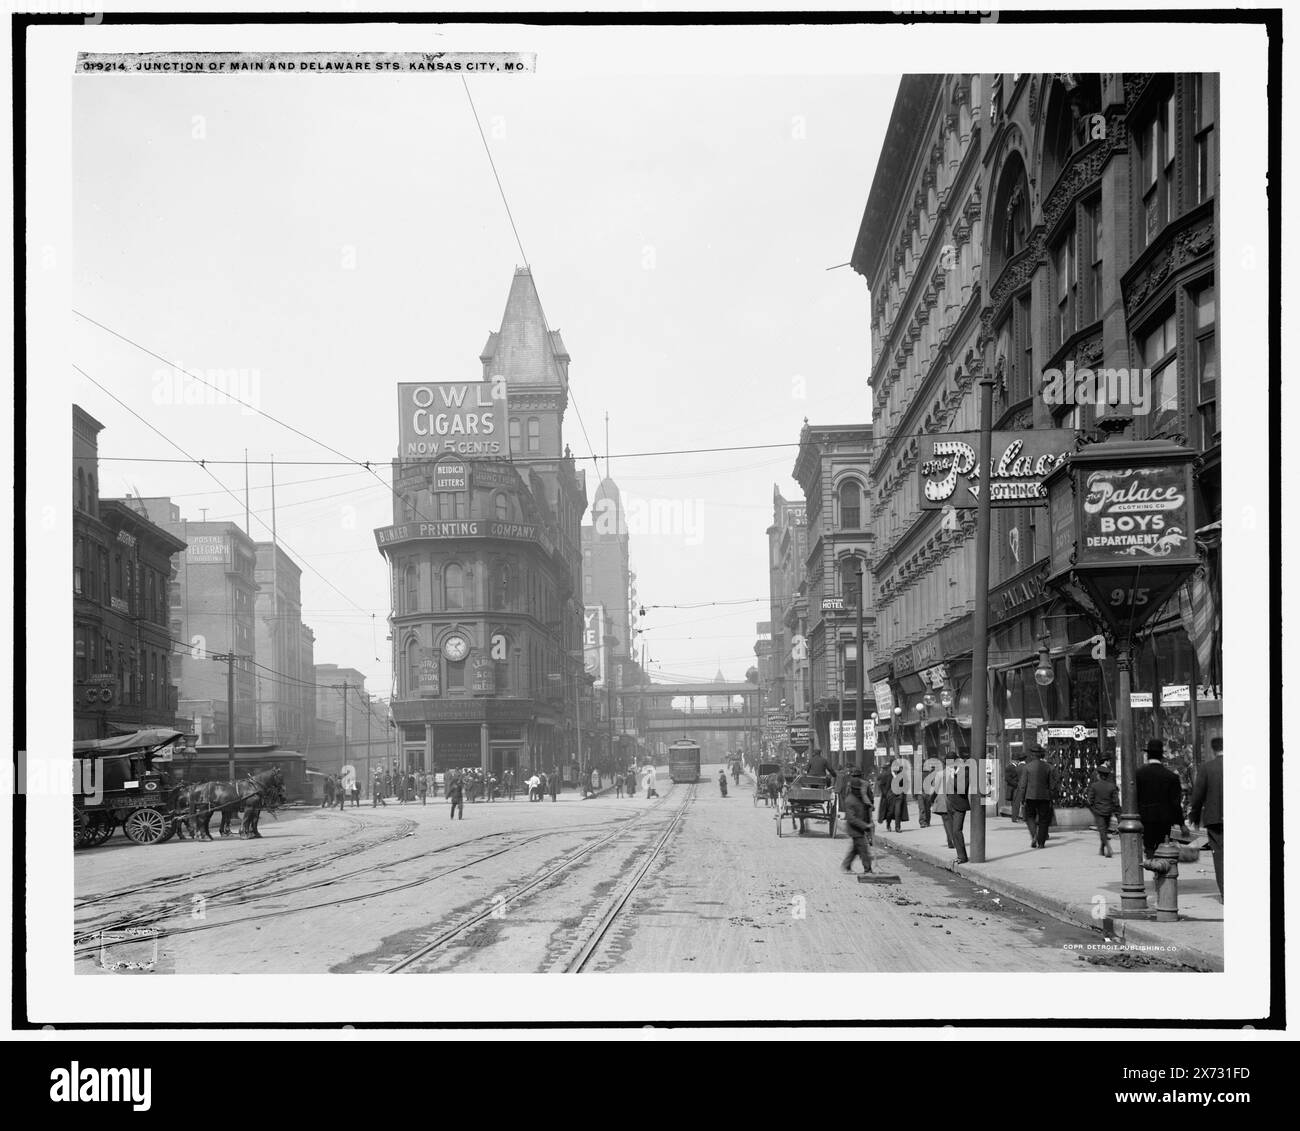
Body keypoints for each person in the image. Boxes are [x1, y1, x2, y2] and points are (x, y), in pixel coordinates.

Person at [1136, 739, 1188, 858]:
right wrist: (1182, 824)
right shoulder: (1171, 777)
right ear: (1161, 756)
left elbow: (1135, 798)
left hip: (1146, 818)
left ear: (1148, 755)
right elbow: (1175, 803)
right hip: (1164, 819)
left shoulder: (1139, 774)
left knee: (1148, 846)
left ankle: (1151, 864)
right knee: (1163, 846)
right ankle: (1159, 873)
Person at [1188, 736, 1224, 898]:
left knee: (1220, 855)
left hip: (1215, 818)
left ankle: (1225, 892)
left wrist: (1194, 817)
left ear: (1213, 749)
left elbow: (1198, 796)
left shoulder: (1207, 768)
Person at [1014, 744, 1056, 848]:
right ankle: (1041, 843)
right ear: (1041, 755)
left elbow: (1023, 785)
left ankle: (1034, 836)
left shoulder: (1027, 767)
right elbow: (1052, 785)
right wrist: (1051, 797)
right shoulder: (1049, 767)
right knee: (1043, 820)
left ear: (1032, 755)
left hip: (1030, 796)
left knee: (1030, 817)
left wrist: (1022, 798)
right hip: (1045, 797)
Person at [940, 750, 971, 865]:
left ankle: (963, 857)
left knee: (957, 831)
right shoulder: (948, 772)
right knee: (953, 833)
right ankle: (960, 856)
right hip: (950, 805)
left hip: (960, 806)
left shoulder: (965, 772)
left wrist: (952, 776)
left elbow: (962, 789)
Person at [840, 771, 874, 874]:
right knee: (863, 850)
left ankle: (846, 866)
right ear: (854, 789)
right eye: (858, 790)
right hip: (854, 829)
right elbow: (851, 819)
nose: (860, 791)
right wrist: (865, 825)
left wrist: (869, 808)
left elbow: (865, 806)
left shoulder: (858, 798)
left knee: (855, 849)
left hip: (859, 828)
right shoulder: (850, 800)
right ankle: (868, 870)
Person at [1086, 762, 1121, 857]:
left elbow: (1089, 800)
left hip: (1098, 811)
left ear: (1099, 775)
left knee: (1102, 830)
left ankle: (1108, 847)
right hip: (1108, 811)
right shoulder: (1112, 786)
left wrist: (1093, 809)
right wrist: (1115, 810)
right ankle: (1102, 849)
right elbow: (1116, 801)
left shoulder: (1094, 786)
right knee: (1104, 829)